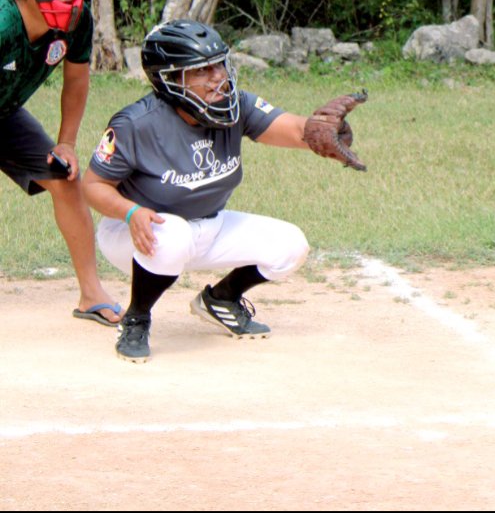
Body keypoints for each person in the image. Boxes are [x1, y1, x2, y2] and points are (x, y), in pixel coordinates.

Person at [84, 19, 367, 363]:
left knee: (291, 245)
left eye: (219, 64)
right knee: (170, 234)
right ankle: (137, 317)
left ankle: (221, 298)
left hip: (207, 224)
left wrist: (317, 132)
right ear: (169, 78)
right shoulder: (134, 124)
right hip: (136, 234)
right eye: (202, 70)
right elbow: (93, 187)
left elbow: (291, 129)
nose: (218, 76)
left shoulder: (236, 106)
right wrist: (131, 212)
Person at [0, 0, 122, 327]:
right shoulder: (3, 23)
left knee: (65, 177)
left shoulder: (77, 20)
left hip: (5, 115)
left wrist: (66, 142)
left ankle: (91, 294)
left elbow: (76, 81)